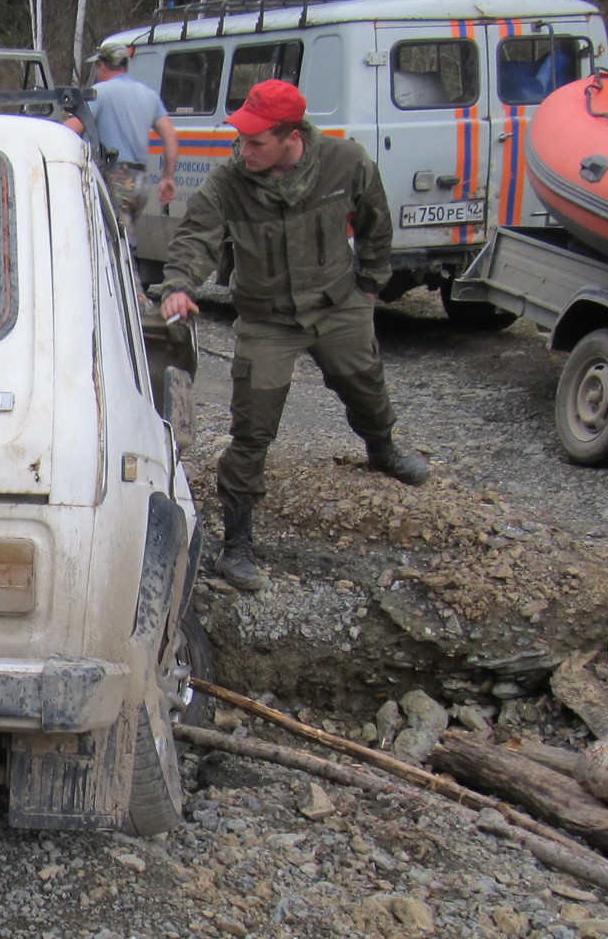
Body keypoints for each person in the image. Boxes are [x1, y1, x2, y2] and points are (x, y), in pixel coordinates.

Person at [157, 79, 428, 593]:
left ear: (291, 135)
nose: (244, 150)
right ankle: (237, 544)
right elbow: (196, 238)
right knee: (252, 427)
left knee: (364, 383)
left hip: (338, 303)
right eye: (241, 139)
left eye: (256, 141)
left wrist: (371, 282)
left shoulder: (344, 161)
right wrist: (179, 286)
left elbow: (376, 218)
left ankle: (383, 448)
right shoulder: (229, 182)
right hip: (267, 318)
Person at [89, 44, 179, 230]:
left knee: (114, 240)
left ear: (102, 65)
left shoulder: (100, 92)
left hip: (116, 179)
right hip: (140, 182)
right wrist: (167, 178)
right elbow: (170, 136)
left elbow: (70, 129)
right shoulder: (149, 95)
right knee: (125, 237)